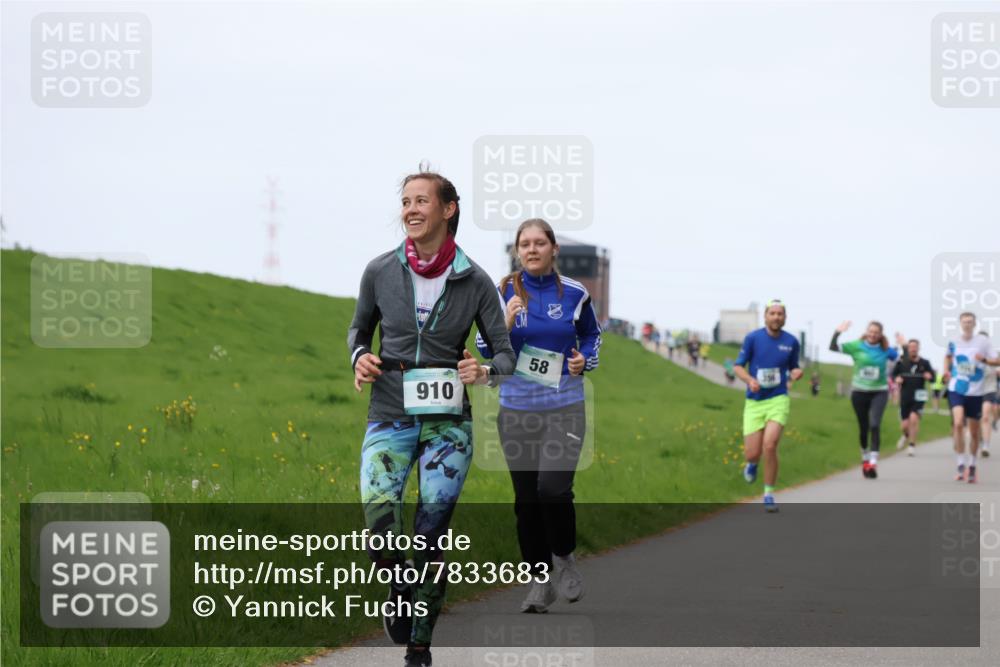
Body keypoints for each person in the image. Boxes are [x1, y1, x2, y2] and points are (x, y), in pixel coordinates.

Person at [348, 170, 516, 666]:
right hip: (389, 411)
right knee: (379, 526)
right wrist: (359, 356)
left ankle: (419, 646)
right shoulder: (380, 271)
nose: (411, 210)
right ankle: (399, 585)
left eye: (422, 201)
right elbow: (358, 331)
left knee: (430, 535)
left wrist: (483, 371)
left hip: (448, 423)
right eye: (406, 202)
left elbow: (505, 353)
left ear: (448, 209)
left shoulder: (475, 279)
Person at [476, 218, 602, 613]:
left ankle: (564, 558)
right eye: (525, 244)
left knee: (553, 489)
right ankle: (540, 581)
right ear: (517, 250)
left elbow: (592, 335)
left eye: (539, 243)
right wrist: (506, 323)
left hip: (565, 407)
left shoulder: (576, 293)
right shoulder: (502, 291)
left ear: (553, 249)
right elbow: (484, 347)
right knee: (526, 500)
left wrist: (584, 360)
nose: (531, 249)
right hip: (516, 410)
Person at [733, 300, 803, 512]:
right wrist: (749, 380)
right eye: (772, 313)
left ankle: (768, 494)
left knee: (770, 445)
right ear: (765, 316)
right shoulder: (753, 338)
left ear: (785, 317)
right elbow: (738, 366)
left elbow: (794, 367)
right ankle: (752, 464)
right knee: (752, 453)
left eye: (780, 314)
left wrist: (796, 373)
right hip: (754, 401)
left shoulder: (791, 341)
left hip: (778, 399)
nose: (776, 317)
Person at [830, 320, 904, 479]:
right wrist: (838, 332)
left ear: (880, 335)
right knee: (863, 428)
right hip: (859, 392)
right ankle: (865, 457)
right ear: (866, 332)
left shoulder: (886, 349)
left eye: (876, 332)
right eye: (871, 331)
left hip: (879, 392)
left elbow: (904, 361)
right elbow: (833, 347)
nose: (873, 335)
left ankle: (873, 461)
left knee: (875, 424)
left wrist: (903, 346)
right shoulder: (857, 346)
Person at [942, 315, 999, 483]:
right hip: (957, 388)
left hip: (976, 391)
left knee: (974, 432)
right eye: (964, 322)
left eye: (970, 322)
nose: (967, 324)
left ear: (974, 324)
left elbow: (997, 361)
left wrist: (985, 360)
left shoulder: (983, 342)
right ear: (960, 324)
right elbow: (947, 356)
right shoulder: (953, 341)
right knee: (958, 423)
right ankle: (960, 463)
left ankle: (972, 465)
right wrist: (946, 371)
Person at [891, 339, 935, 457]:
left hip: (920, 395)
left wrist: (929, 377)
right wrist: (896, 379)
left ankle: (911, 446)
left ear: (918, 348)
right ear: (907, 349)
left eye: (915, 347)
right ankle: (906, 435)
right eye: (911, 347)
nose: (913, 349)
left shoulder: (925, 363)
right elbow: (893, 374)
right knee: (904, 425)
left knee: (914, 419)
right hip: (905, 396)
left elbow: (933, 378)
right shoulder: (902, 362)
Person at [983, 363, 999, 457]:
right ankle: (979, 438)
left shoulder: (994, 357)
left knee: (986, 417)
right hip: (974, 391)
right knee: (977, 419)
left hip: (990, 390)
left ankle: (985, 445)